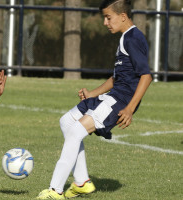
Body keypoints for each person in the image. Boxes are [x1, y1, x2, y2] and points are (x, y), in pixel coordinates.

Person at [37, 0, 152, 199]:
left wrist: (130, 108)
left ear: (123, 16)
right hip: (112, 96)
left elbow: (146, 76)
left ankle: (55, 190)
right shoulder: (126, 37)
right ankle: (82, 182)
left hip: (120, 101)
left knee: (75, 132)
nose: (105, 23)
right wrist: (93, 93)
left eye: (108, 17)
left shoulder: (133, 38)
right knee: (66, 121)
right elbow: (118, 77)